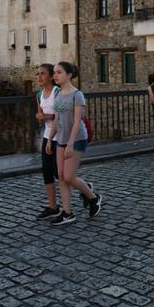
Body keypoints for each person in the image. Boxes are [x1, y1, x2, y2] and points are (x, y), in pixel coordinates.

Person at [45, 62, 102, 225]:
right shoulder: (57, 94)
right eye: (54, 72)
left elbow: (77, 122)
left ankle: (93, 198)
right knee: (61, 177)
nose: (55, 75)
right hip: (61, 139)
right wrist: (49, 139)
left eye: (59, 72)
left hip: (76, 139)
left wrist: (70, 144)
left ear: (69, 75)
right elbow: (56, 119)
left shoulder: (77, 95)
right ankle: (67, 213)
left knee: (69, 176)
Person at [35, 63, 61, 220]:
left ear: (51, 76)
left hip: (60, 136)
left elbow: (60, 116)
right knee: (47, 171)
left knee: (61, 174)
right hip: (47, 135)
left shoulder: (58, 92)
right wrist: (40, 117)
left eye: (42, 73)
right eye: (38, 74)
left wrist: (46, 116)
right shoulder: (39, 95)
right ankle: (53, 207)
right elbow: (41, 117)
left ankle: (87, 191)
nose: (39, 77)